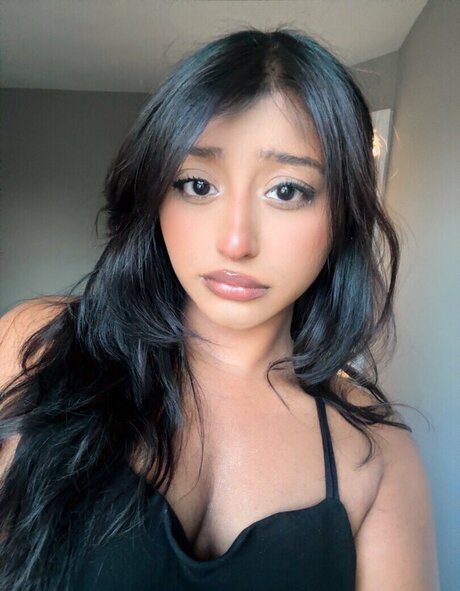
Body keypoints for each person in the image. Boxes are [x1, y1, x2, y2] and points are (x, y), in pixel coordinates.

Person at [0, 26, 439, 591]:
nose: (235, 242)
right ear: (155, 191)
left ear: (343, 214)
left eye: (287, 191)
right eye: (197, 184)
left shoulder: (376, 454)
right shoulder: (37, 345)